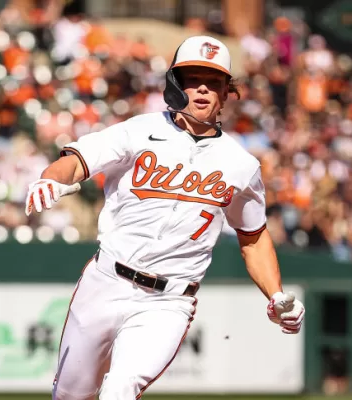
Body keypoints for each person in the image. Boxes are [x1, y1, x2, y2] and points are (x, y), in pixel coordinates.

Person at [24, 35, 306, 400]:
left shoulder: (241, 165)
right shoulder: (138, 130)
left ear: (226, 94)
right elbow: (78, 160)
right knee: (69, 396)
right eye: (192, 79)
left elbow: (253, 236)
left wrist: (277, 295)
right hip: (106, 282)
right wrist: (51, 178)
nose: (203, 89)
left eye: (214, 82)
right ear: (174, 84)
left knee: (121, 388)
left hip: (168, 301)